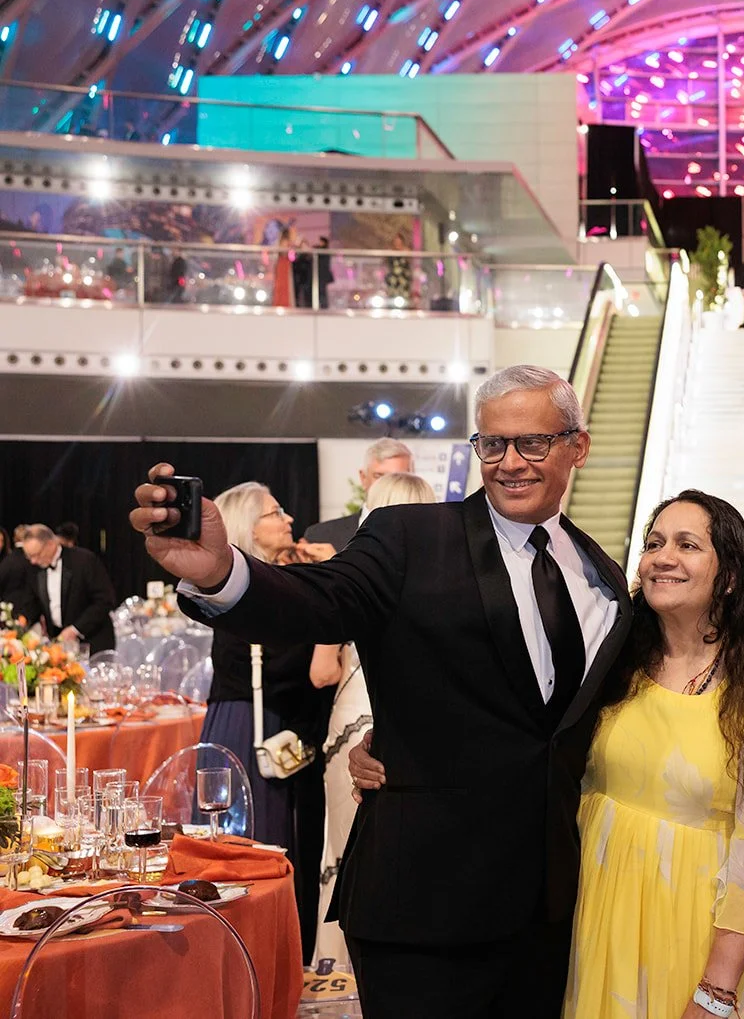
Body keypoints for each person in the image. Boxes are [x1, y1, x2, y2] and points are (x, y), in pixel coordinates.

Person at [131, 364, 634, 1018]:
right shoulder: (410, 538)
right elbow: (320, 598)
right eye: (493, 444)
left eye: (532, 442)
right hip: (421, 907)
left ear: (578, 446)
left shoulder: (602, 577)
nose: (511, 462)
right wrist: (224, 574)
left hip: (546, 913)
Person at [564, 489, 744, 1016]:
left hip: (702, 934)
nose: (663, 557)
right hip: (603, 917)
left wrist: (716, 992)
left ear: (727, 577)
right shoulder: (613, 659)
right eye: (654, 543)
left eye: (687, 544)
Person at [204, 482, 334, 960]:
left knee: (282, 849)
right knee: (255, 849)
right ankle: (252, 961)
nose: (289, 520)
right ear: (247, 527)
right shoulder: (243, 588)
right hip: (253, 730)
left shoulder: (277, 578)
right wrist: (328, 612)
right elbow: (286, 668)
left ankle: (280, 961)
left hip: (273, 727)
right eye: (276, 513)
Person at [312, 471, 436, 969]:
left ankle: (339, 971)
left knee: (347, 852)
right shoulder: (444, 585)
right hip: (417, 728)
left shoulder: (354, 578)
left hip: (351, 719)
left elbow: (321, 670)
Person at [12, 524, 116, 654]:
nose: (33, 561)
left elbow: (105, 600)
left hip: (94, 641)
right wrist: (20, 624)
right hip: (60, 646)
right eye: (29, 556)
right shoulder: (35, 568)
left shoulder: (84, 561)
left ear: (50, 544)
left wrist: (75, 629)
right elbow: (33, 604)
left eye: (36, 554)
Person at [303, 439, 415, 552]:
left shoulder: (426, 534)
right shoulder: (321, 535)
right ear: (363, 478)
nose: (386, 485)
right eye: (379, 476)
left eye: (397, 477)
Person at [385, 232, 414, 306]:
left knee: (404, 297)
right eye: (396, 242)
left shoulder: (406, 252)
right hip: (393, 280)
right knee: (392, 296)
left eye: (399, 242)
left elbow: (410, 261)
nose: (397, 244)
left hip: (404, 279)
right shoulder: (390, 253)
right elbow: (386, 264)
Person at [271, 227, 295, 308]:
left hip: (283, 264)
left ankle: (281, 302)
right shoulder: (285, 242)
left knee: (282, 285)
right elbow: (285, 253)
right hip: (283, 264)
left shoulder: (280, 242)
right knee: (283, 285)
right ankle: (282, 303)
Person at [315, 236, 335, 309]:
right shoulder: (324, 251)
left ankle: (324, 306)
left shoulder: (324, 251)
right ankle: (323, 305)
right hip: (322, 275)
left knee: (322, 291)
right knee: (321, 291)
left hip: (322, 276)